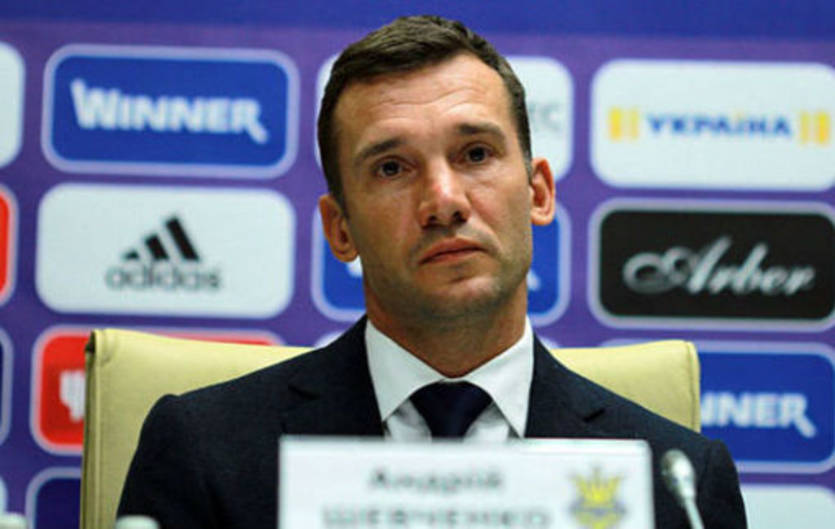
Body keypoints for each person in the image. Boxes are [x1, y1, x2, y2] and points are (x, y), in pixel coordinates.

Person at [119, 15, 746, 529]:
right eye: (392, 168)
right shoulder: (206, 451)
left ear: (538, 194)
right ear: (340, 229)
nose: (443, 201)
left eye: (475, 153)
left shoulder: (676, 482)